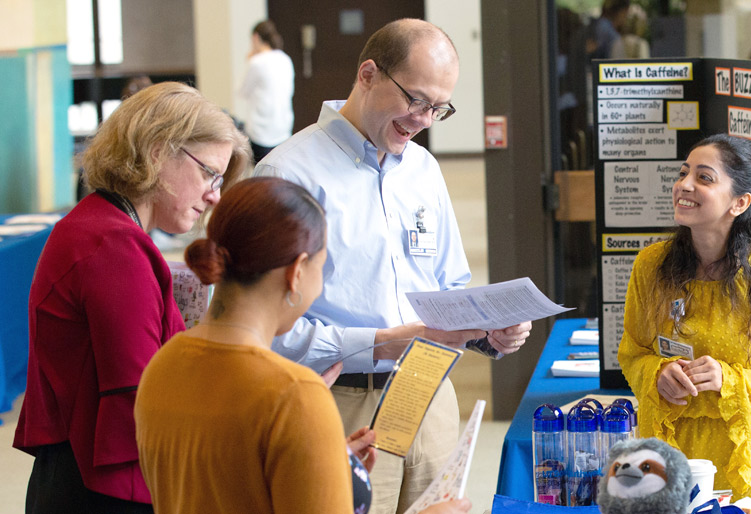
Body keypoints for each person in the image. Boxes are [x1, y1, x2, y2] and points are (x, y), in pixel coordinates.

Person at [256, 19, 532, 514]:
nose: (424, 118)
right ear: (367, 74)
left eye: (438, 108)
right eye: (416, 100)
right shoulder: (288, 174)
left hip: (429, 393)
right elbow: (265, 332)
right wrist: (380, 343)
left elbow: (449, 286)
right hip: (338, 401)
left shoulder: (422, 170)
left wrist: (485, 330)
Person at [134, 177, 470, 514]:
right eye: (321, 267)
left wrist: (319, 462)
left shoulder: (163, 365)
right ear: (296, 273)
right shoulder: (294, 395)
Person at [14, 81, 250, 513]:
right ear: (159, 151)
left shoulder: (98, 225)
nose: (214, 194)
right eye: (208, 173)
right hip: (105, 487)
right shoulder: (114, 245)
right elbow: (147, 395)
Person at [617, 134, 751, 501]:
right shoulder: (649, 267)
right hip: (672, 459)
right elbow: (633, 353)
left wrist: (728, 380)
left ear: (740, 202)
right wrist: (657, 373)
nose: (684, 185)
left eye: (704, 178)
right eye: (683, 173)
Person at [239, 20, 295, 162]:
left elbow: (243, 92)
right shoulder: (285, 59)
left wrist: (248, 60)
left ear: (256, 38)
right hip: (283, 129)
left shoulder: (256, 62)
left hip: (260, 132)